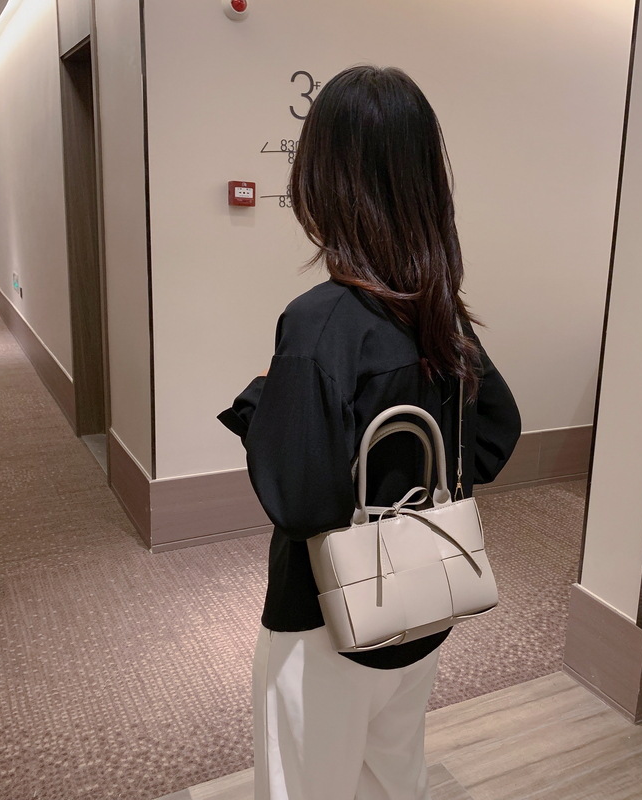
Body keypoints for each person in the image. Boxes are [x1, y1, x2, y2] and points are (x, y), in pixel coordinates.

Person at [217, 65, 521, 800]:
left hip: (324, 617)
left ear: (323, 180)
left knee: (303, 786)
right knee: (393, 775)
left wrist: (263, 402)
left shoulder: (320, 322)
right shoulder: (438, 310)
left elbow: (298, 500)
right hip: (421, 604)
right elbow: (496, 431)